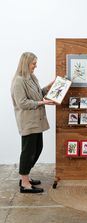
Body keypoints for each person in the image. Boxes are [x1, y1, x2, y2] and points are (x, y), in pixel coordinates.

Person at [11, 52, 55, 193]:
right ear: (26, 63)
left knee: (37, 149)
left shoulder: (32, 77)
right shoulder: (18, 81)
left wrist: (50, 86)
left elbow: (38, 94)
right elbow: (22, 103)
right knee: (28, 151)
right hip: (28, 121)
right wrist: (43, 102)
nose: (36, 66)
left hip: (37, 120)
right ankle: (25, 184)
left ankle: (26, 177)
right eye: (34, 63)